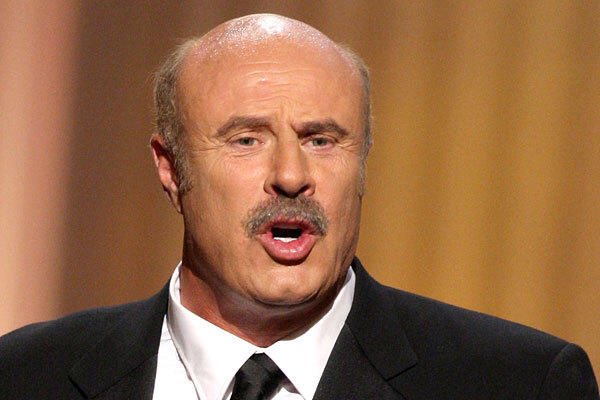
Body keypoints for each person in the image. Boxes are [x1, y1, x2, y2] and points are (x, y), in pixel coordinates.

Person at [0, 13, 598, 400]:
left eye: (321, 140)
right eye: (246, 140)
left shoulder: (518, 383)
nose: (291, 177)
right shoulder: (25, 376)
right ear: (170, 169)